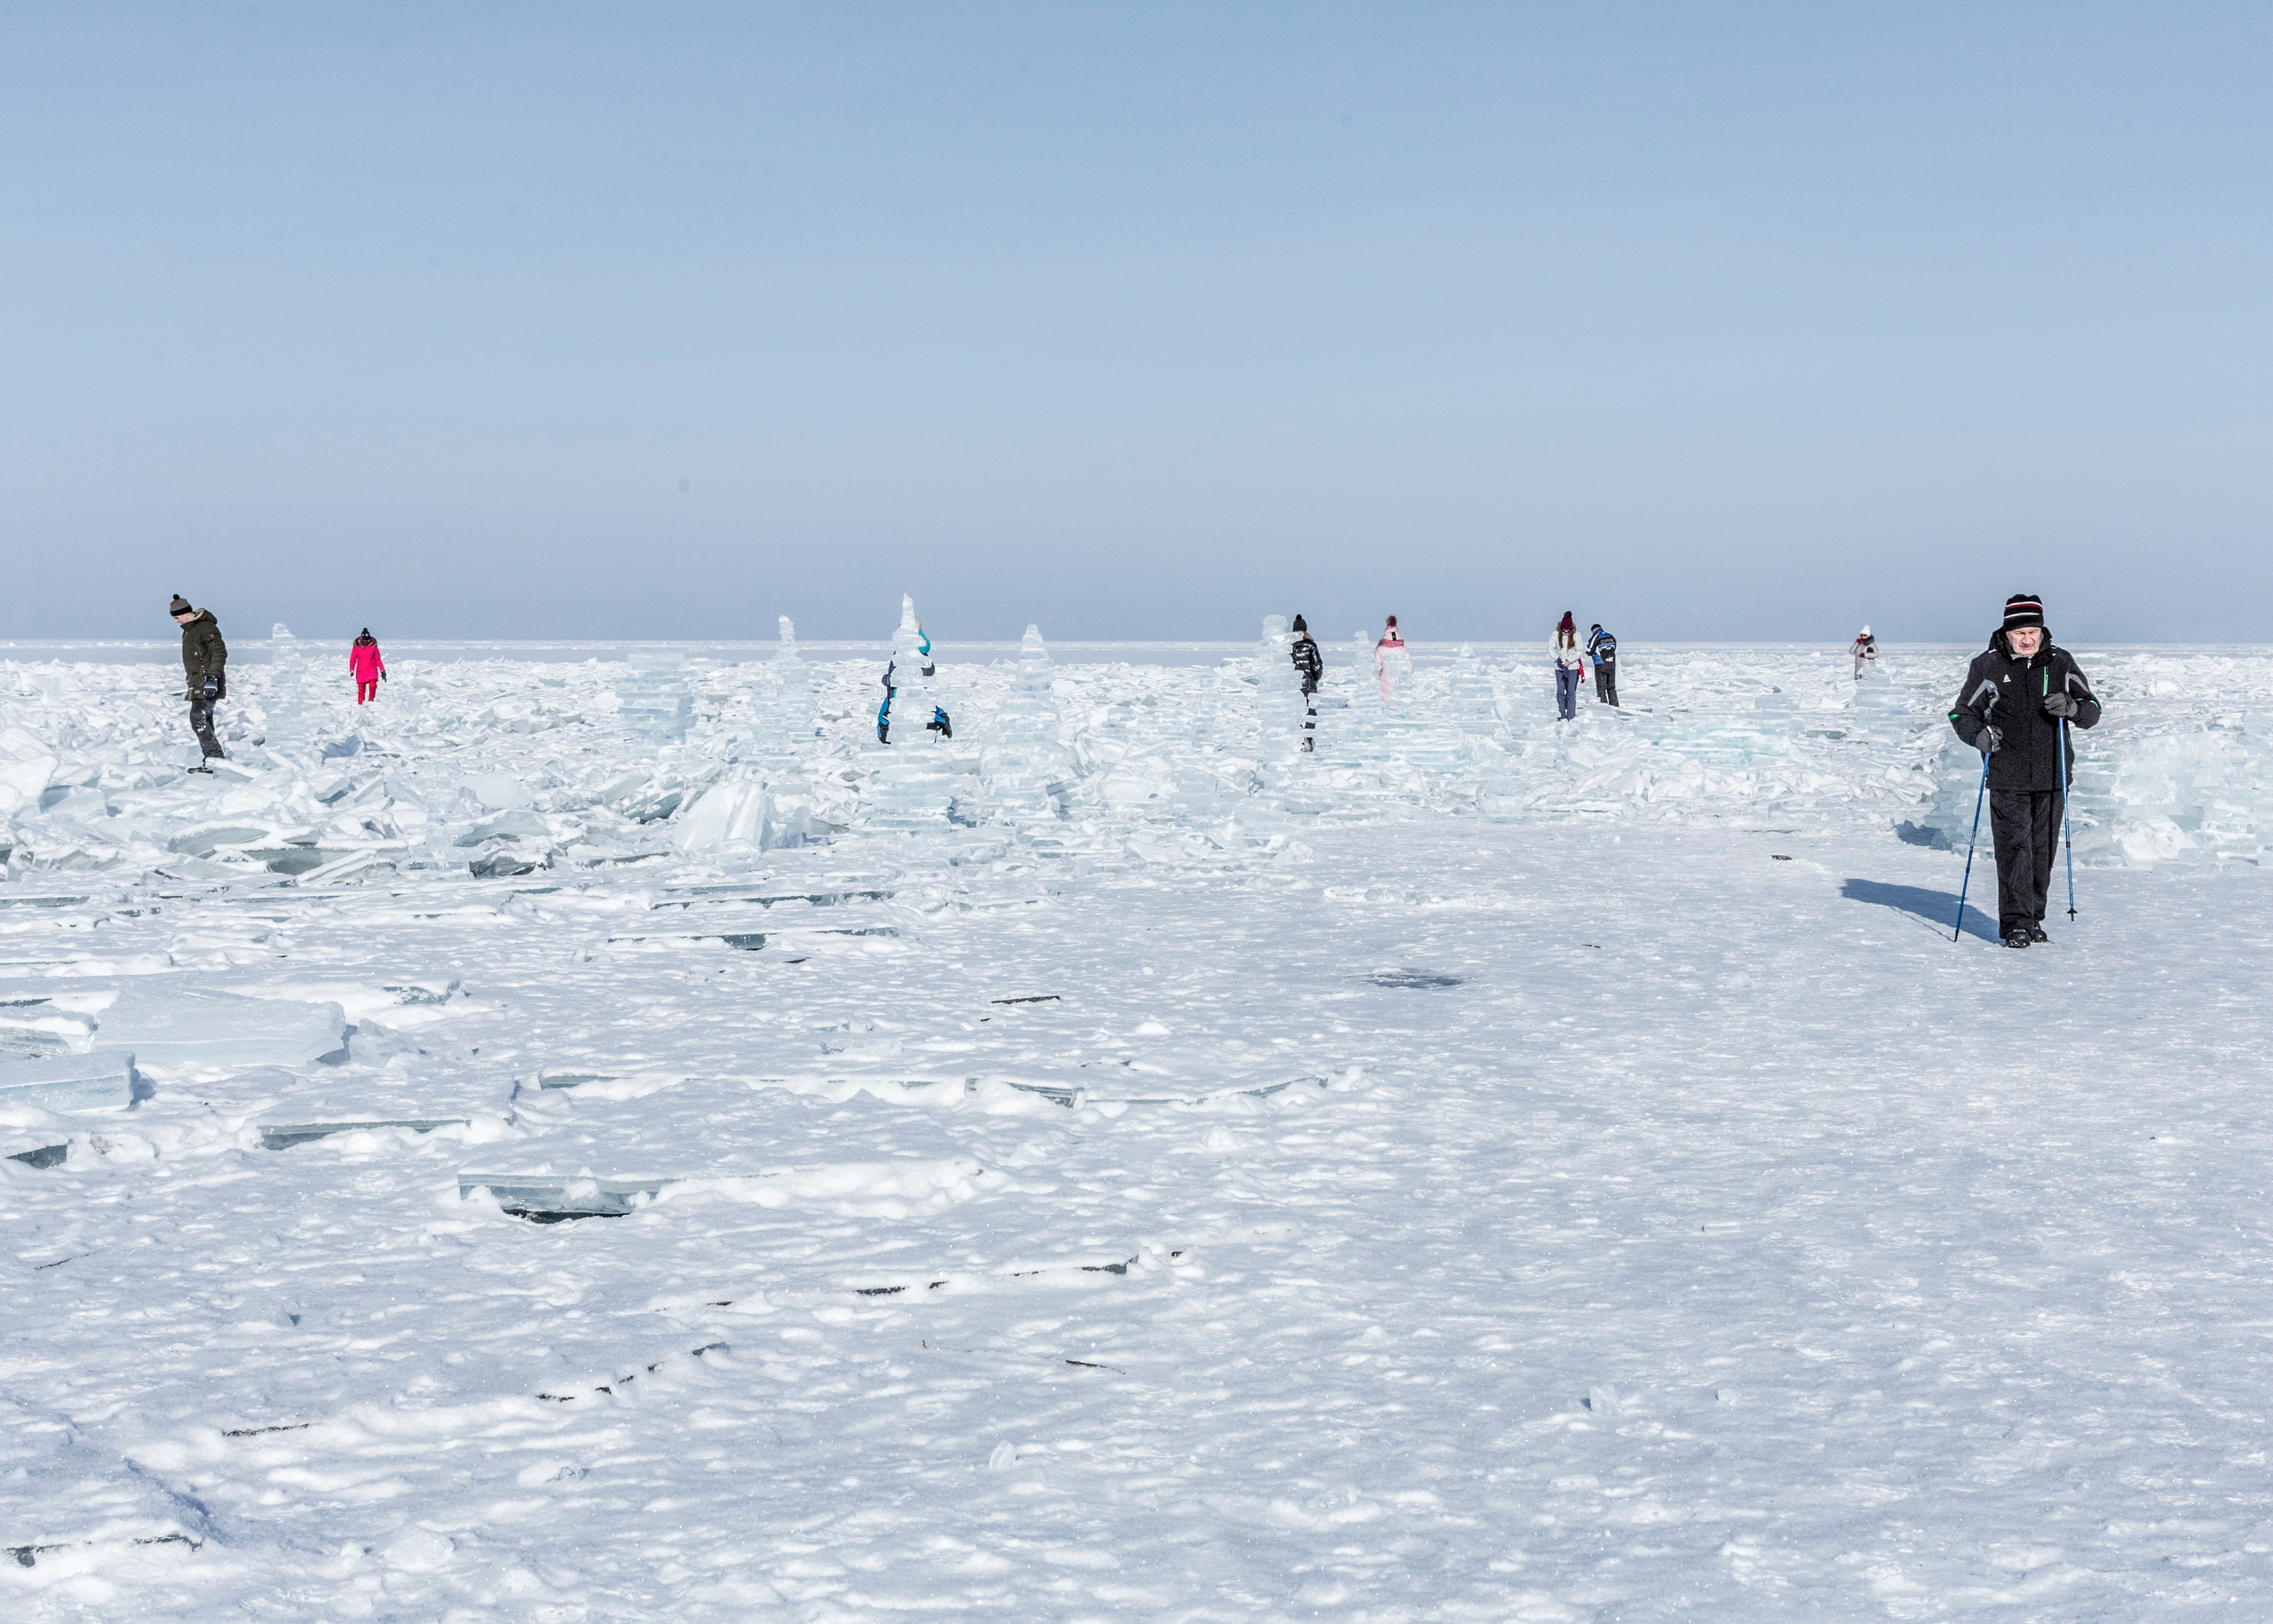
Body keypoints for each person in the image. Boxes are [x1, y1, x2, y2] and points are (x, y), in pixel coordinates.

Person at [1946, 594, 2102, 948]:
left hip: (2054, 775)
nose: (2027, 639)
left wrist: (2073, 707)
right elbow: (1961, 714)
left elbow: (2092, 710)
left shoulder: (2061, 663)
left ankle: (2033, 920)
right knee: (2015, 849)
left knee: (2042, 851)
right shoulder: (1986, 666)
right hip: (2007, 775)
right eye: (2020, 633)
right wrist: (1979, 736)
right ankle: (2016, 923)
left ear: (2042, 630)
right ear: (2007, 632)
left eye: (2033, 631)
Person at [169, 593, 227, 771]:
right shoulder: (189, 631)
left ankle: (216, 760)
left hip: (207, 682)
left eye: (177, 617)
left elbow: (219, 652)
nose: (176, 621)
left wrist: (212, 678)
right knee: (204, 720)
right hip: (198, 682)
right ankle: (213, 762)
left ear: (186, 613)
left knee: (198, 719)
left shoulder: (205, 627)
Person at [1290, 614, 1324, 751]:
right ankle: (1308, 739)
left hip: (1294, 685)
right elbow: (1318, 665)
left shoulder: (1289, 646)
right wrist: (1314, 678)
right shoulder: (1311, 645)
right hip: (1309, 684)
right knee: (1311, 713)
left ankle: (1299, 740)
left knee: (1296, 713)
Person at [1551, 612, 1587, 722]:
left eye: (1568, 629)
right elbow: (1550, 648)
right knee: (1561, 691)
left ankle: (1571, 716)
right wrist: (1558, 659)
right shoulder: (1555, 635)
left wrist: (1569, 661)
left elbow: (1580, 650)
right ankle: (1562, 714)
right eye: (1564, 629)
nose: (1566, 631)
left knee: (1571, 691)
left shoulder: (1577, 636)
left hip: (1572, 668)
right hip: (1559, 668)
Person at [1374, 616, 1412, 704]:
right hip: (1400, 680)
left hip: (1385, 679)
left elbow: (1377, 667)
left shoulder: (1380, 648)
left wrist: (1377, 678)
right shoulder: (1403, 649)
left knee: (1386, 701)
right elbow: (1410, 668)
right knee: (1399, 702)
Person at [1586, 622, 1620, 707]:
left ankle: (1603, 707)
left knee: (1601, 687)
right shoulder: (1611, 636)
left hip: (1600, 664)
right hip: (1611, 664)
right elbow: (1614, 648)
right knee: (1611, 687)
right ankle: (1615, 706)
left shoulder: (1596, 637)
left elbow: (1589, 650)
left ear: (1593, 630)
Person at [350, 629, 386, 704]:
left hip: (371, 670)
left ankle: (371, 701)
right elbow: (353, 659)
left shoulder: (373, 646)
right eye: (364, 640)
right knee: (361, 690)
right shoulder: (357, 646)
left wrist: (382, 670)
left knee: (373, 685)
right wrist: (352, 669)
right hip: (361, 671)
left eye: (368, 640)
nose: (366, 642)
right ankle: (361, 705)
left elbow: (378, 659)